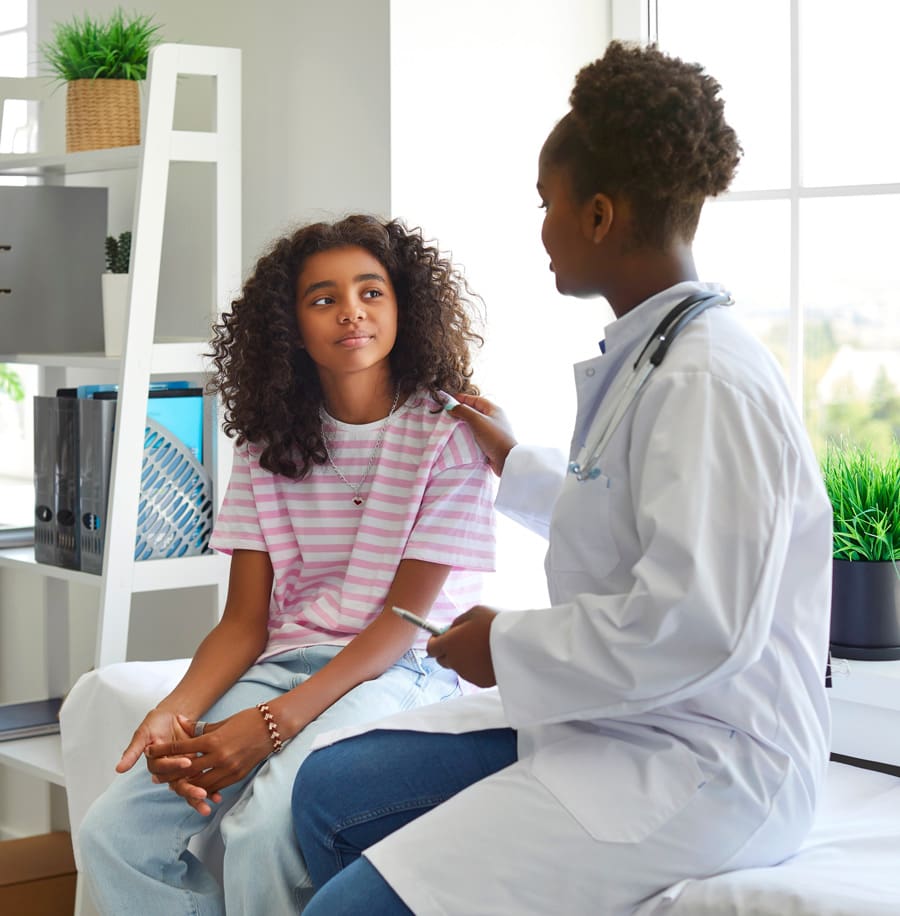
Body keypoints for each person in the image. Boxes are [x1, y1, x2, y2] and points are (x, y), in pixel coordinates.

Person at [290, 42, 833, 915]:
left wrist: (502, 646)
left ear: (599, 217)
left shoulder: (708, 381)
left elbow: (693, 628)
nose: (539, 226)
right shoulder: (657, 354)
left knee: (340, 911)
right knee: (327, 791)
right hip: (628, 717)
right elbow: (633, 516)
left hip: (711, 761)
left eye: (547, 204)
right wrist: (516, 461)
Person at [77, 214, 496, 915]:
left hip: (404, 669)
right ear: (290, 326)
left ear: (405, 306)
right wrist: (172, 712)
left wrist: (271, 725)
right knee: (113, 833)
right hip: (286, 661)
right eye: (323, 298)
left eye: (371, 291)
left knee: (262, 830)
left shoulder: (449, 434)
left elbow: (401, 625)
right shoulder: (271, 443)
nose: (351, 312)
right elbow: (243, 623)